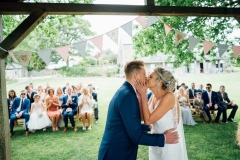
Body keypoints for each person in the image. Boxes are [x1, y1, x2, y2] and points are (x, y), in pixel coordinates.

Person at [98, 60, 179, 160]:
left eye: (149, 75)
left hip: (117, 151)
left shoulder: (126, 91)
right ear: (136, 76)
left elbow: (131, 121)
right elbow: (137, 136)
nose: (146, 77)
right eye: (145, 74)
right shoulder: (128, 95)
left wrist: (146, 128)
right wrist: (164, 138)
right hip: (117, 153)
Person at [136, 67, 188, 160]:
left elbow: (148, 120)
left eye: (150, 76)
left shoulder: (169, 96)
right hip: (157, 142)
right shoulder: (152, 97)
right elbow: (143, 117)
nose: (147, 78)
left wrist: (143, 94)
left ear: (159, 82)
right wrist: (140, 95)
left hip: (170, 144)